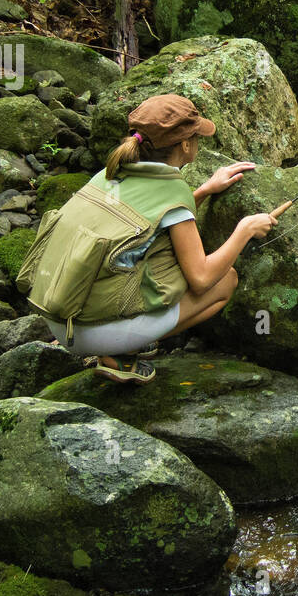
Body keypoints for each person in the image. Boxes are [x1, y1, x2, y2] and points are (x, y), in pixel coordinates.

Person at [39, 93, 280, 384]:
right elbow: (202, 278)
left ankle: (122, 339)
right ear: (186, 145)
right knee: (225, 281)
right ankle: (121, 351)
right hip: (92, 335)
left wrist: (203, 191)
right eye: (197, 137)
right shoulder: (172, 192)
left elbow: (149, 221)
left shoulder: (109, 174)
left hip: (58, 317)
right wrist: (245, 230)